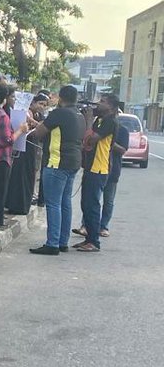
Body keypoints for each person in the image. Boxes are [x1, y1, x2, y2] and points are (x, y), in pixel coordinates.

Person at [29, 84, 85, 256]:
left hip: (57, 161)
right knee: (65, 202)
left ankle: (52, 243)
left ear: (60, 98)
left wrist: (34, 125)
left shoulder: (58, 113)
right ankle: (62, 241)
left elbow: (39, 133)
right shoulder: (80, 115)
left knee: (53, 203)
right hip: (73, 162)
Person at [72, 93, 123, 252]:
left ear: (112, 108)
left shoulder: (110, 122)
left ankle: (94, 241)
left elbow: (91, 139)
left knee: (92, 205)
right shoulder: (100, 120)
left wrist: (87, 121)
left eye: (102, 102)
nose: (97, 104)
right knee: (85, 204)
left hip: (99, 168)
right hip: (91, 167)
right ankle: (89, 237)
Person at [0, 82, 31, 230]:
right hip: (0, 158)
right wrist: (21, 130)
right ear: (3, 98)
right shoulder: (1, 115)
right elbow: (7, 140)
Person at [98, 102, 131, 235]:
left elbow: (123, 150)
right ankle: (86, 225)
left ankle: (103, 226)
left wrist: (109, 141)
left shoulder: (122, 130)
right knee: (92, 200)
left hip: (112, 169)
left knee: (108, 201)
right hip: (98, 167)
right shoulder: (99, 127)